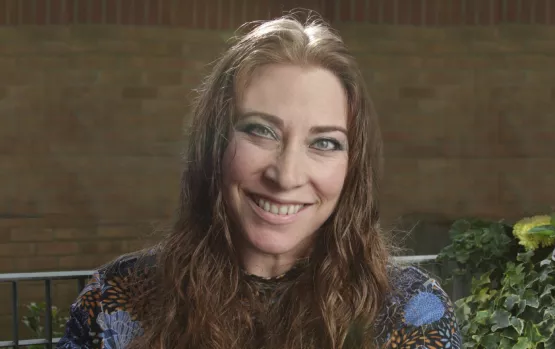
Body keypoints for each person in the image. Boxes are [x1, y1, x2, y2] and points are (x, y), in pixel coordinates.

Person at [57, 12, 461, 349]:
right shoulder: (115, 301)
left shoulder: (412, 312)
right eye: (260, 131)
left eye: (324, 142)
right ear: (213, 143)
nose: (286, 176)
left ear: (353, 167)